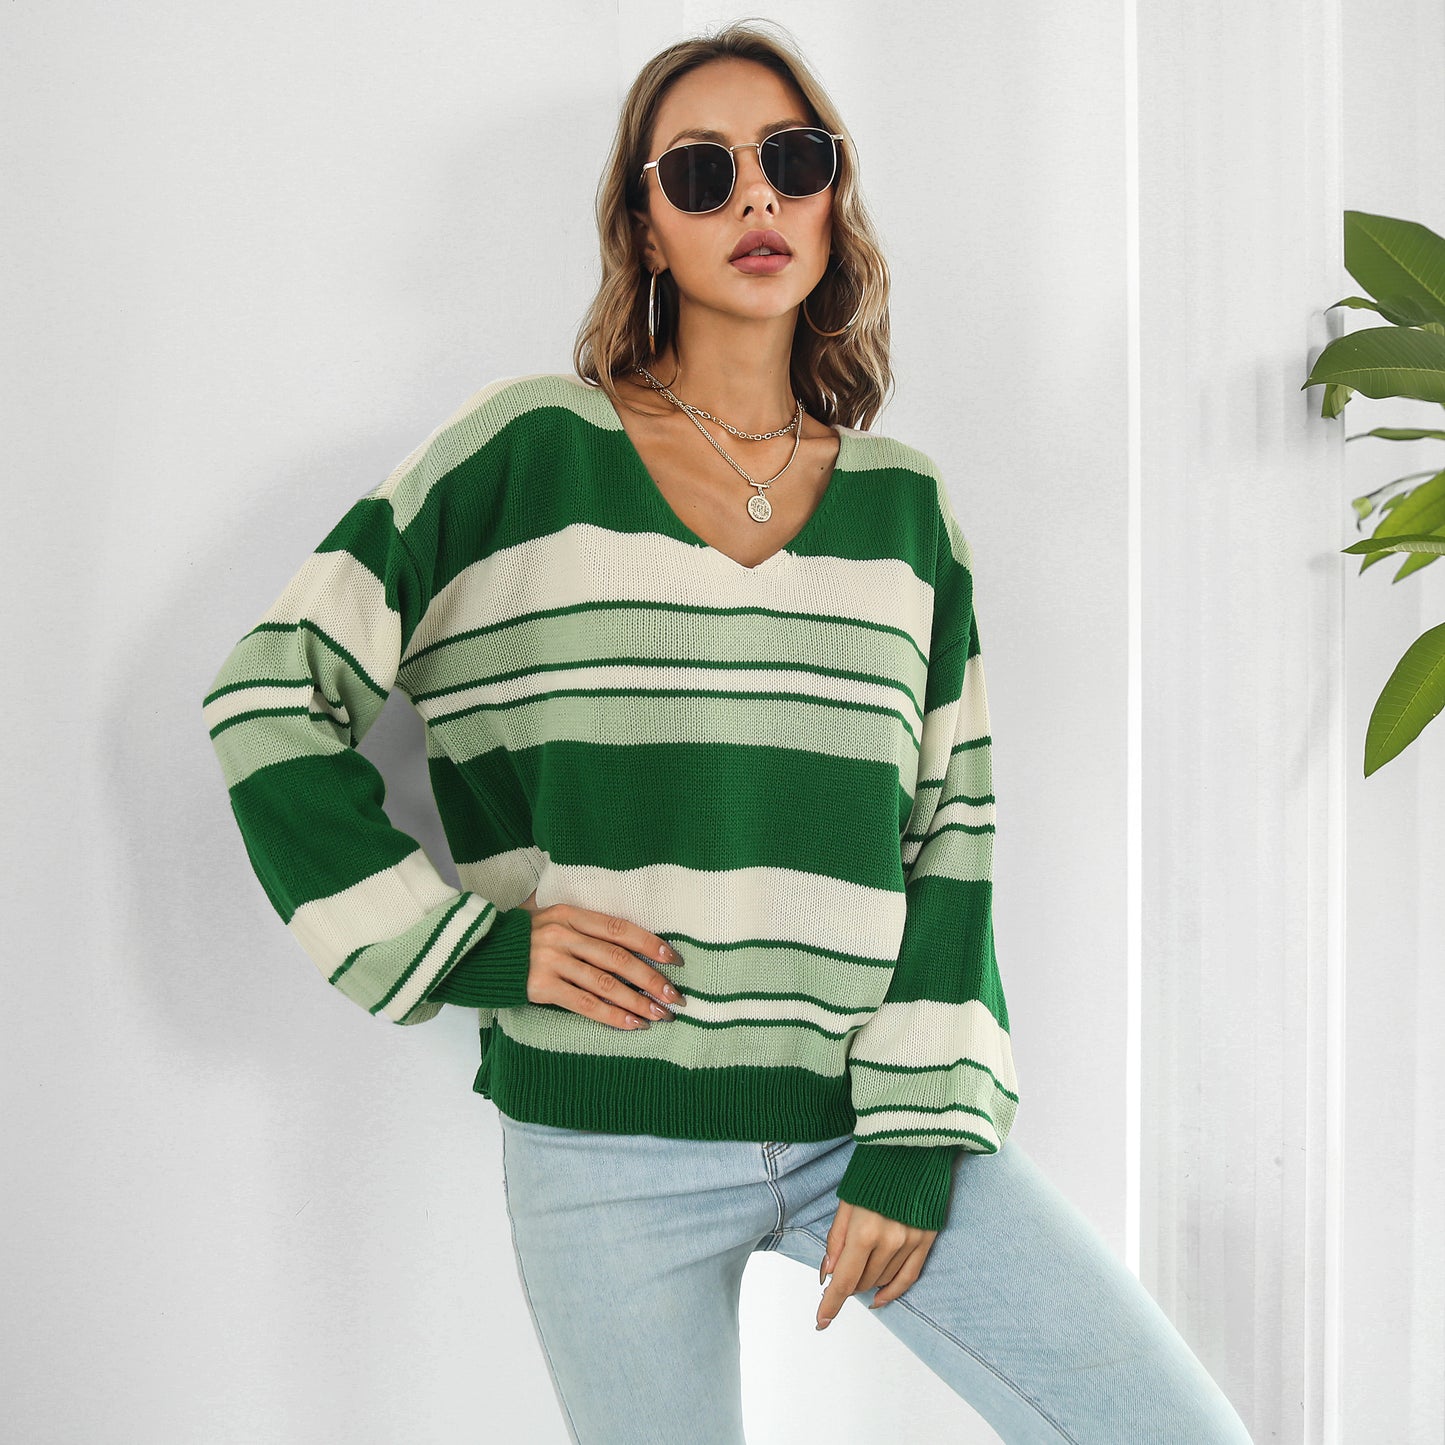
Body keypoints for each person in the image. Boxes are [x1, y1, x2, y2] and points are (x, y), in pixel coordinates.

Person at [200, 18, 1255, 1445]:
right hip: (600, 1149)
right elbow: (271, 695)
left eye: (790, 159)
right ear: (644, 224)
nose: (755, 195)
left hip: (859, 1125)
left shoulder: (904, 509)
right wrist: (468, 948)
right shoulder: (525, 452)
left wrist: (915, 1139)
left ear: (831, 196)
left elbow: (951, 829)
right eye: (701, 171)